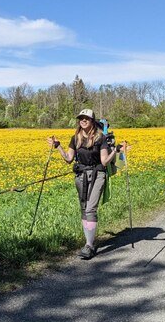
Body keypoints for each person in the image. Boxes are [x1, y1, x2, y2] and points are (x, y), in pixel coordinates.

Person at [47, 109, 126, 259]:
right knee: (84, 208)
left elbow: (104, 162)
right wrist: (58, 146)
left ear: (92, 121)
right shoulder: (75, 138)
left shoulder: (100, 138)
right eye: (81, 118)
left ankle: (89, 246)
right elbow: (69, 159)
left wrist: (115, 151)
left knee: (90, 209)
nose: (83, 121)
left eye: (86, 119)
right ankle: (88, 242)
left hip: (98, 175)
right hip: (81, 175)